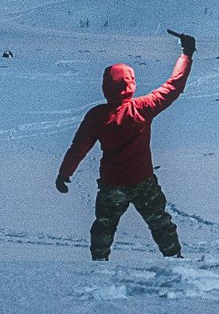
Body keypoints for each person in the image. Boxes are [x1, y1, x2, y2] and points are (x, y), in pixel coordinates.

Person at [54, 29, 199, 259]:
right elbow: (173, 87)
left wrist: (64, 174)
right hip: (142, 180)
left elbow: (78, 147)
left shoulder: (96, 116)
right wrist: (186, 54)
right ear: (130, 84)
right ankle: (174, 260)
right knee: (160, 222)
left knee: (104, 226)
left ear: (105, 86)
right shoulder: (142, 107)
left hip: (111, 184)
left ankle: (99, 263)